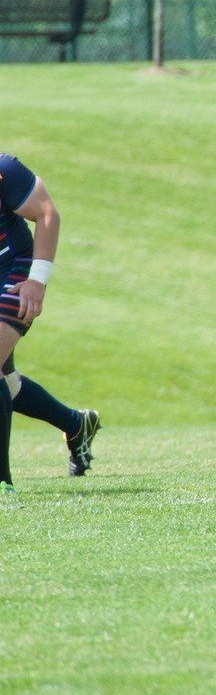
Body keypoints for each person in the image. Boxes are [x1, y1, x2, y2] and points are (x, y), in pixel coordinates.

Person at [0, 154, 100, 493]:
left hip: (14, 271)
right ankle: (76, 424)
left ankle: (2, 482)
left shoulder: (4, 170)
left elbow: (46, 213)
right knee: (8, 384)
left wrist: (37, 280)